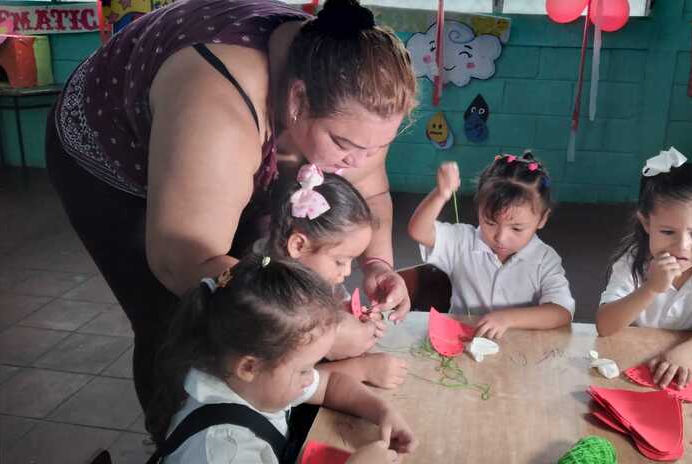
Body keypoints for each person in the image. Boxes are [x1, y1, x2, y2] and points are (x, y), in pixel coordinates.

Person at [45, 0, 417, 411]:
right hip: (109, 152)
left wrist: (378, 265)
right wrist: (320, 329)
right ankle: (183, 430)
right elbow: (183, 262)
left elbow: (371, 193)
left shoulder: (355, 100)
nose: (359, 162)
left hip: (224, 145)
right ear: (297, 100)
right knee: (180, 314)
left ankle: (276, 401)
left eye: (377, 147)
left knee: (272, 272)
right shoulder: (219, 109)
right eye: (344, 144)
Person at [146, 255, 415, 463]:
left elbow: (330, 385)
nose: (311, 377)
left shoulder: (252, 379)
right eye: (304, 369)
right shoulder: (225, 450)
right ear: (249, 366)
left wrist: (382, 412)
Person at [596, 148, 692, 389]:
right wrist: (651, 288)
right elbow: (605, 326)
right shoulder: (632, 261)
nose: (682, 246)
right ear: (646, 223)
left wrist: (686, 353)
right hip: (632, 362)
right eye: (667, 232)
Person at [264, 163, 408, 389]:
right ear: (298, 245)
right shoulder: (269, 304)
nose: (348, 272)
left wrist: (357, 320)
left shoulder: (320, 280)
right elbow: (282, 387)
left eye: (353, 260)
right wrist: (360, 369)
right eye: (340, 261)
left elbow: (339, 314)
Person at [407, 152, 575, 340]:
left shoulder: (545, 259)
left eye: (516, 228)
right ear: (478, 209)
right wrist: (440, 194)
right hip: (464, 342)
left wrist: (508, 319)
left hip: (518, 347)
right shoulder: (463, 241)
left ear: (542, 218)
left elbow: (562, 311)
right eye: (490, 222)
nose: (500, 238)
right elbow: (418, 231)